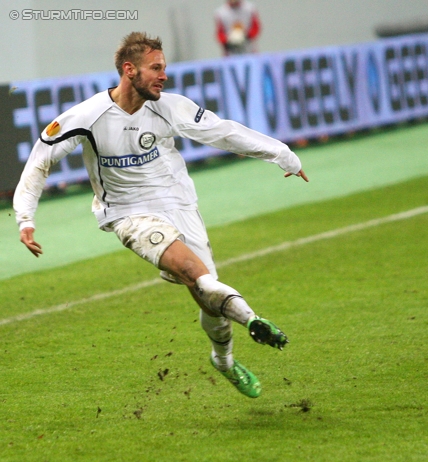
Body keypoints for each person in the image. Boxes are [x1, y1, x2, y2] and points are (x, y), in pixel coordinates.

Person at [13, 31, 308, 399]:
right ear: (129, 70)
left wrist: (282, 154)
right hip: (127, 214)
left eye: (164, 68)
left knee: (208, 297)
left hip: (179, 204)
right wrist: (25, 218)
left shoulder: (170, 106)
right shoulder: (87, 116)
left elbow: (224, 133)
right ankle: (252, 319)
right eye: (156, 68)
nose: (164, 75)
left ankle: (224, 361)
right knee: (194, 274)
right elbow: (40, 160)